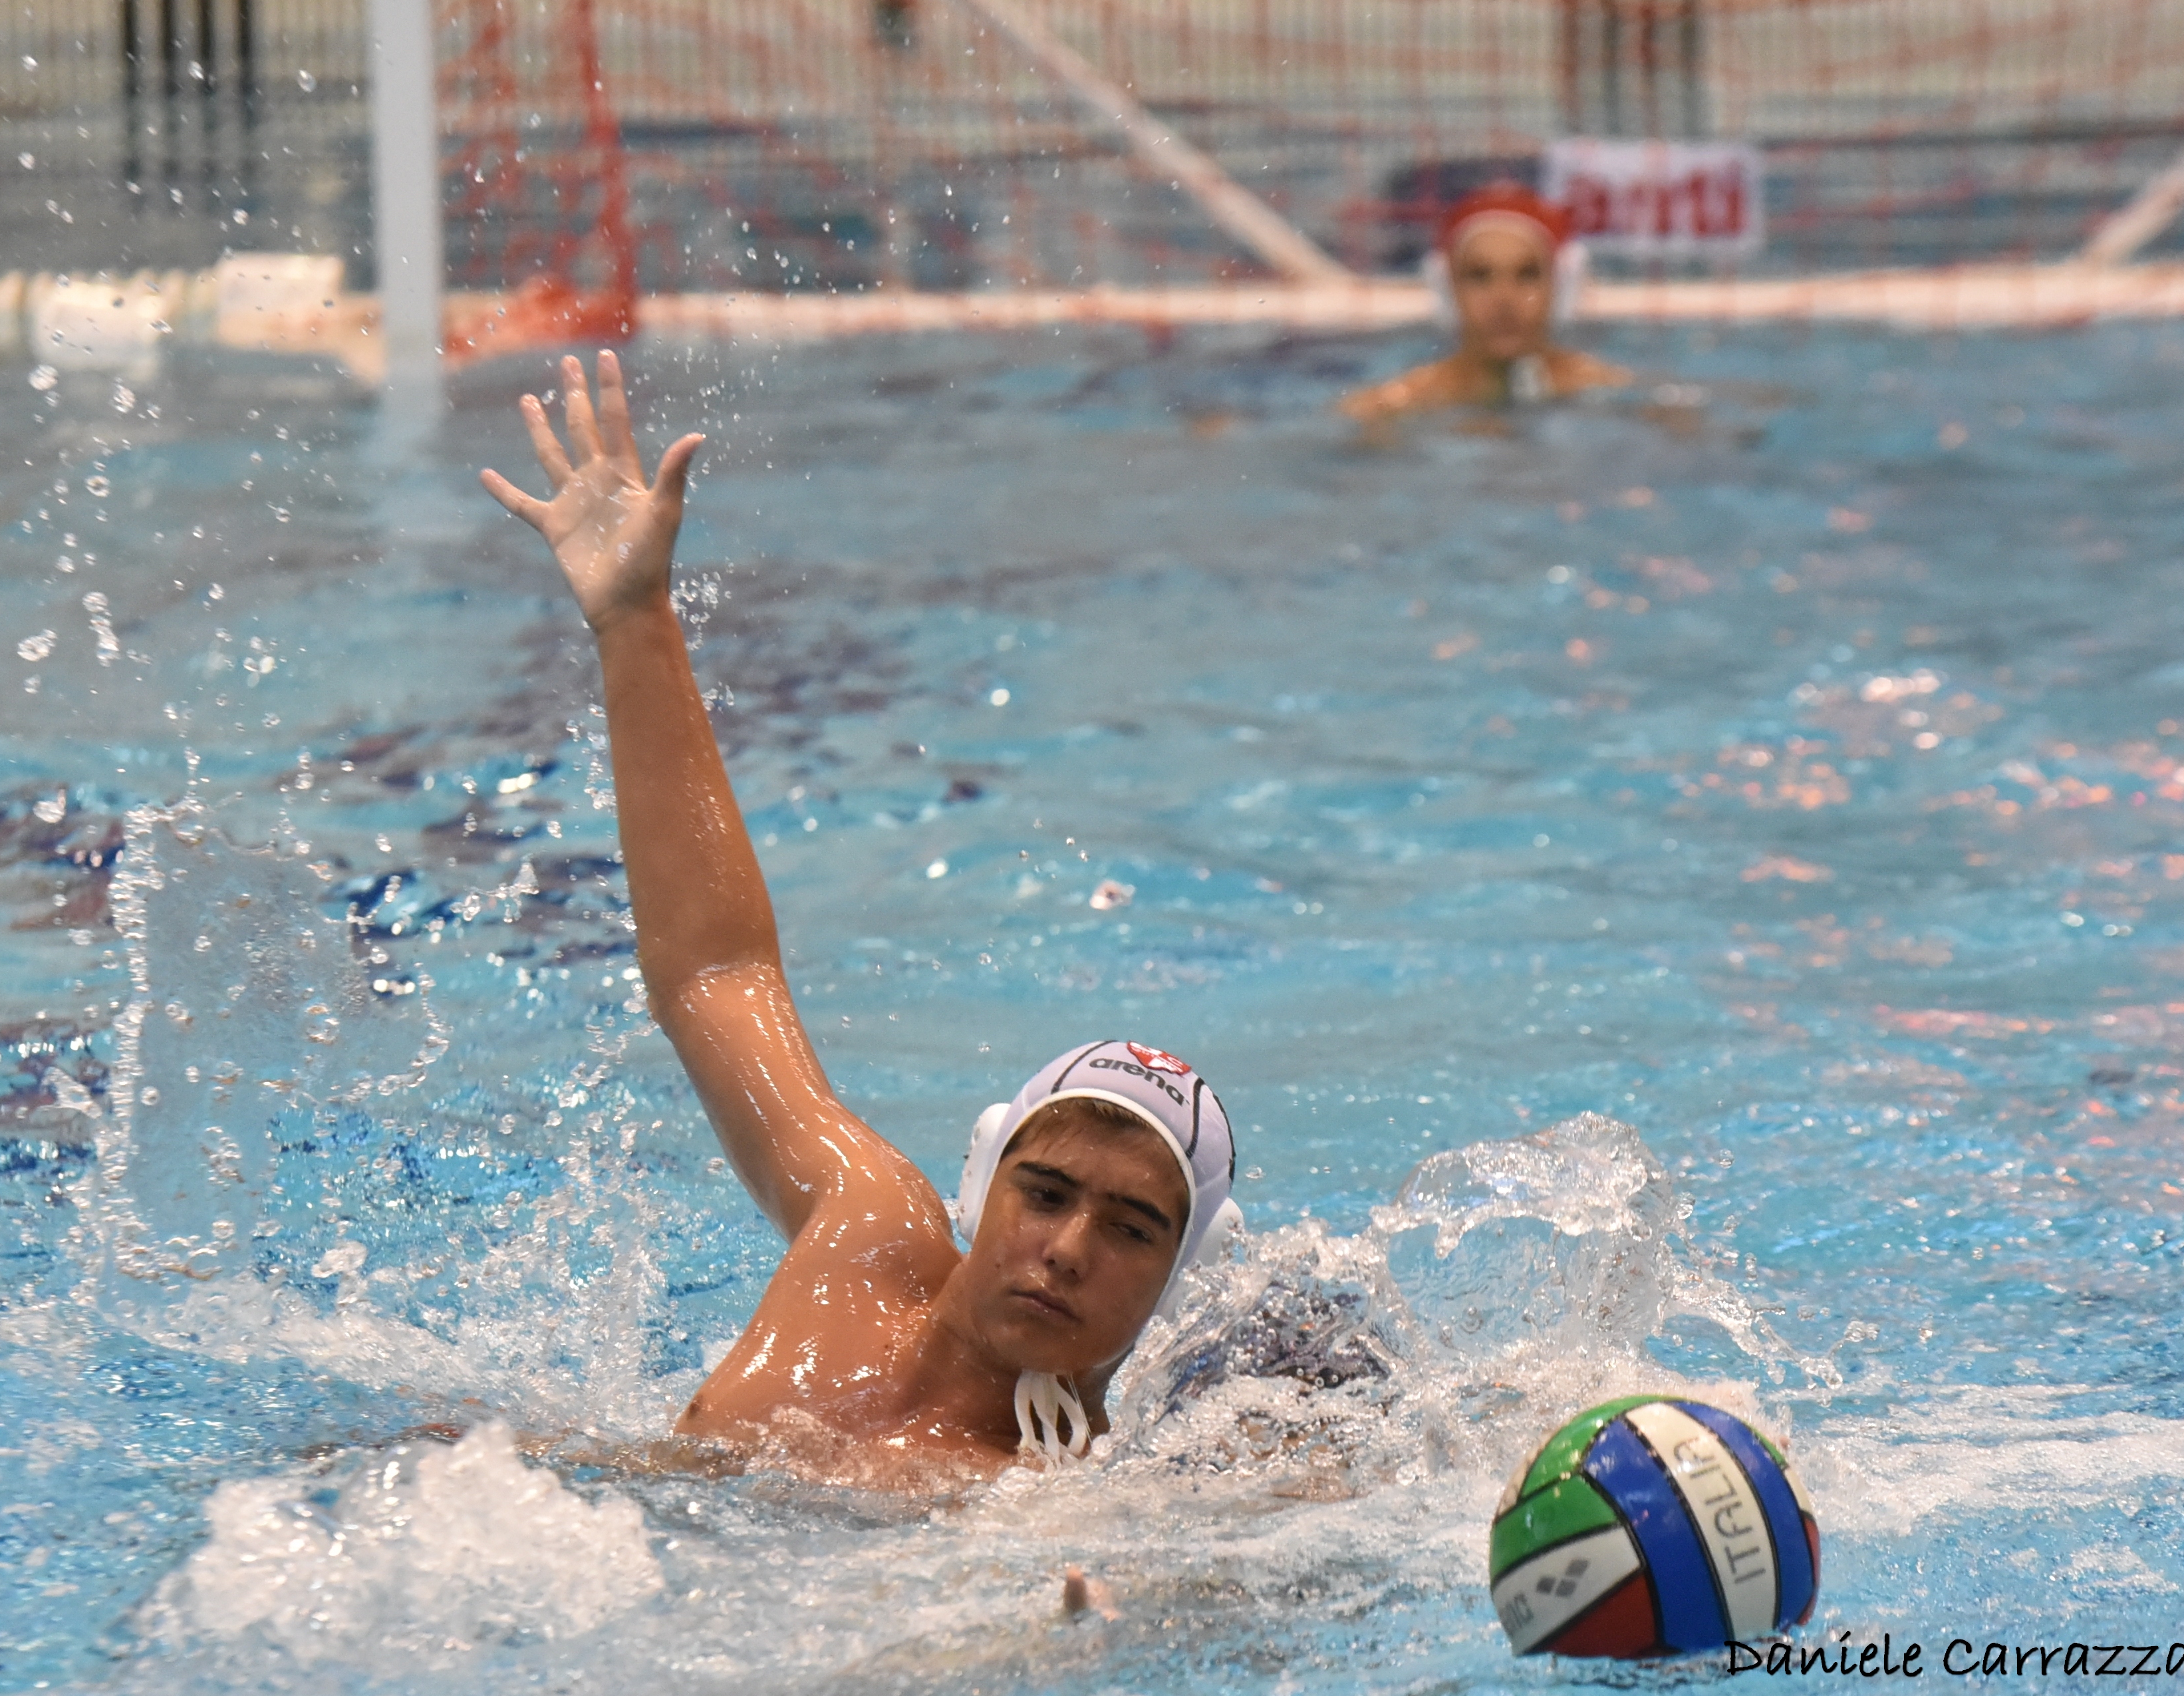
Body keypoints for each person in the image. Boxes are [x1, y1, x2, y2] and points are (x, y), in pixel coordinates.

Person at [478, 353, 1240, 1491]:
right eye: (1044, 1194)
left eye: (1132, 1229)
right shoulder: (866, 1236)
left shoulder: (1085, 1502)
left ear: (1179, 1276)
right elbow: (715, 975)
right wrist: (635, 619)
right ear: (982, 1185)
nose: (1067, 1249)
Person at [1337, 183, 1629, 424]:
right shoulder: (1383, 410)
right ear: (1449, 288)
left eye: (1527, 274)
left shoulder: (1615, 394)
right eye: (1479, 276)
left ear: (1559, 286)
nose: (1505, 299)